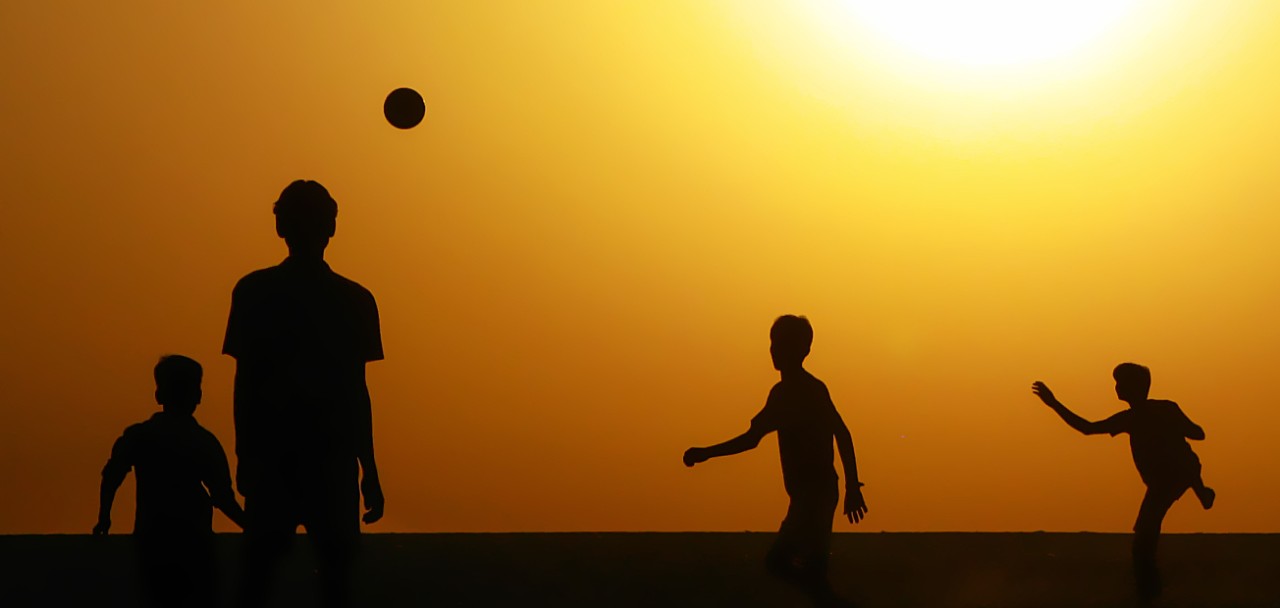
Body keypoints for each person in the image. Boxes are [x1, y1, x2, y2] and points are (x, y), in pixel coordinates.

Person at [224, 180, 384, 608]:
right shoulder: (354, 299)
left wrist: (244, 454)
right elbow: (356, 393)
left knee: (258, 579)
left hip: (275, 455)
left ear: (280, 227)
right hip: (327, 457)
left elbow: (246, 382)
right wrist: (368, 467)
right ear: (331, 228)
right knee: (334, 580)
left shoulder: (254, 292)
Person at [684, 315, 868, 607]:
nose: (775, 350)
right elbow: (752, 438)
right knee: (808, 574)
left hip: (816, 496)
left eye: (783, 345)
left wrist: (853, 487)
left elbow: (841, 434)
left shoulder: (810, 390)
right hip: (808, 497)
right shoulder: (781, 394)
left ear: (803, 350)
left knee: (780, 563)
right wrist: (707, 453)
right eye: (774, 343)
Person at [1032, 363, 1214, 602]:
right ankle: (1199, 488)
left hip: (1170, 477)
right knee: (1146, 531)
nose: (1116, 387)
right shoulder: (1136, 416)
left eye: (1120, 383)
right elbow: (1088, 428)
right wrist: (1053, 403)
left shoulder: (1155, 412)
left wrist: (1054, 403)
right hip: (1172, 475)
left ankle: (1150, 592)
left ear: (1134, 387)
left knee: (1144, 537)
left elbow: (1197, 433)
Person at [95, 354, 246, 608]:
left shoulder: (140, 435)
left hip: (153, 538)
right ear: (198, 396)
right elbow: (223, 498)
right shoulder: (204, 441)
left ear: (159, 394)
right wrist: (249, 526)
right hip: (195, 542)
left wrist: (104, 517)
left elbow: (112, 476)